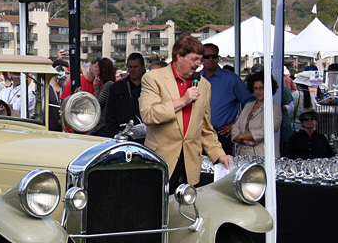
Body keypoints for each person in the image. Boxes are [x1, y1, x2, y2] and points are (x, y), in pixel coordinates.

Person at [138, 35, 231, 188]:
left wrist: (218, 154)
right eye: (194, 59)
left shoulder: (203, 85)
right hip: (161, 162)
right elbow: (149, 114)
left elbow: (205, 128)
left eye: (200, 59)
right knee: (159, 210)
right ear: (179, 57)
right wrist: (183, 101)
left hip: (190, 166)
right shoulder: (153, 78)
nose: (198, 64)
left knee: (186, 209)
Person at [198, 43, 253, 155]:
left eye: (214, 56)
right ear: (202, 58)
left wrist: (236, 123)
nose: (211, 59)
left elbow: (250, 103)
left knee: (222, 169)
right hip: (198, 133)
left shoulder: (232, 79)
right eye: (207, 56)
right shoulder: (195, 78)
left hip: (221, 134)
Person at [231, 71, 282, 156]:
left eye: (261, 88)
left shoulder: (274, 108)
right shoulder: (248, 105)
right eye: (255, 88)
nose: (258, 91)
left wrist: (241, 137)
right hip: (243, 155)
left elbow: (267, 131)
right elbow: (236, 126)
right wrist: (239, 137)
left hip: (262, 155)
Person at [103, 53, 146, 139]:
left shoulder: (149, 85)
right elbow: (109, 112)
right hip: (122, 132)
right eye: (130, 67)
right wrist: (115, 132)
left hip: (145, 133)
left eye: (136, 67)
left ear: (142, 67)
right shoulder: (117, 86)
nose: (133, 70)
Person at [92, 57, 116, 137]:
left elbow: (97, 104)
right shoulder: (103, 84)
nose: (93, 69)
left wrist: (96, 88)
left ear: (102, 69)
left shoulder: (108, 85)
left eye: (96, 67)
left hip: (103, 127)